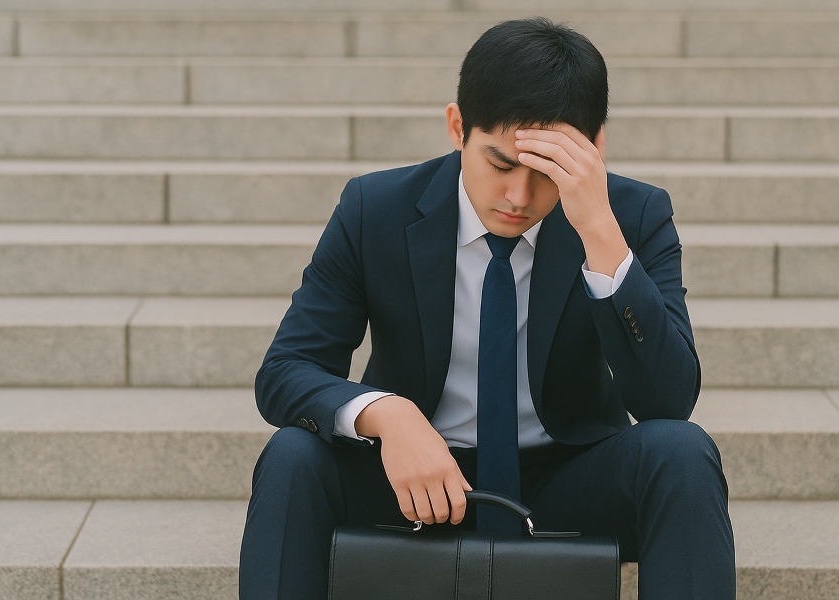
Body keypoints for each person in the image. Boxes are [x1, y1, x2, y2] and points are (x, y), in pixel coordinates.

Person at [240, 17, 735, 600]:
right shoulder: (375, 208)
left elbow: (668, 401)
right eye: (500, 164)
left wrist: (599, 231)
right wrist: (389, 417)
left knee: (682, 452)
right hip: (412, 474)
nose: (518, 198)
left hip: (567, 473)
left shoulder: (634, 214)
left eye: (545, 171)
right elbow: (285, 371)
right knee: (293, 456)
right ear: (457, 127)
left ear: (593, 147)